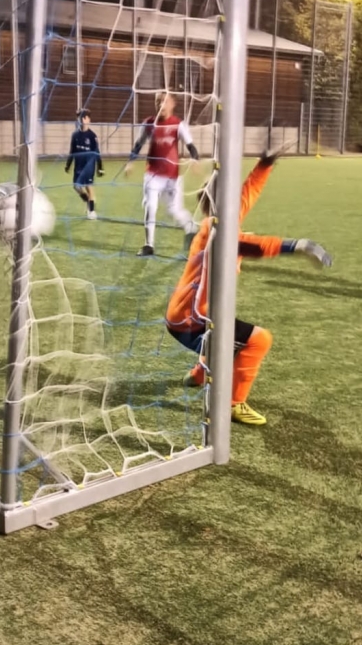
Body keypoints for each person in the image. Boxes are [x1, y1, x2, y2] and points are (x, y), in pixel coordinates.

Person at [165, 151, 332, 426]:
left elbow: (247, 194)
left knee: (225, 328)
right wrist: (300, 246)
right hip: (191, 321)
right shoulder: (217, 232)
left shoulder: (218, 221)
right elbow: (252, 246)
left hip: (185, 314)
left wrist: (265, 164)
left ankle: (199, 373)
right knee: (258, 340)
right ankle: (234, 404)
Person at [126, 91, 198, 256]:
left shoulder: (178, 124)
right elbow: (138, 144)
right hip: (152, 174)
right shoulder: (149, 124)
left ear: (173, 104)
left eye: (165, 101)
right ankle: (148, 245)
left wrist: (195, 159)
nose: (161, 105)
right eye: (158, 101)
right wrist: (130, 162)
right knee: (150, 206)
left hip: (172, 176)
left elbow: (191, 145)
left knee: (174, 211)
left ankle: (191, 228)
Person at [64, 109, 103, 219]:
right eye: (78, 118)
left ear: (87, 119)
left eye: (82, 117)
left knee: (89, 187)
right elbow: (72, 151)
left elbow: (97, 153)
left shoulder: (92, 136)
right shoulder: (75, 135)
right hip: (78, 166)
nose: (80, 120)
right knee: (76, 187)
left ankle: (92, 211)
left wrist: (100, 167)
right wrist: (68, 165)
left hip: (89, 166)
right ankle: (87, 200)